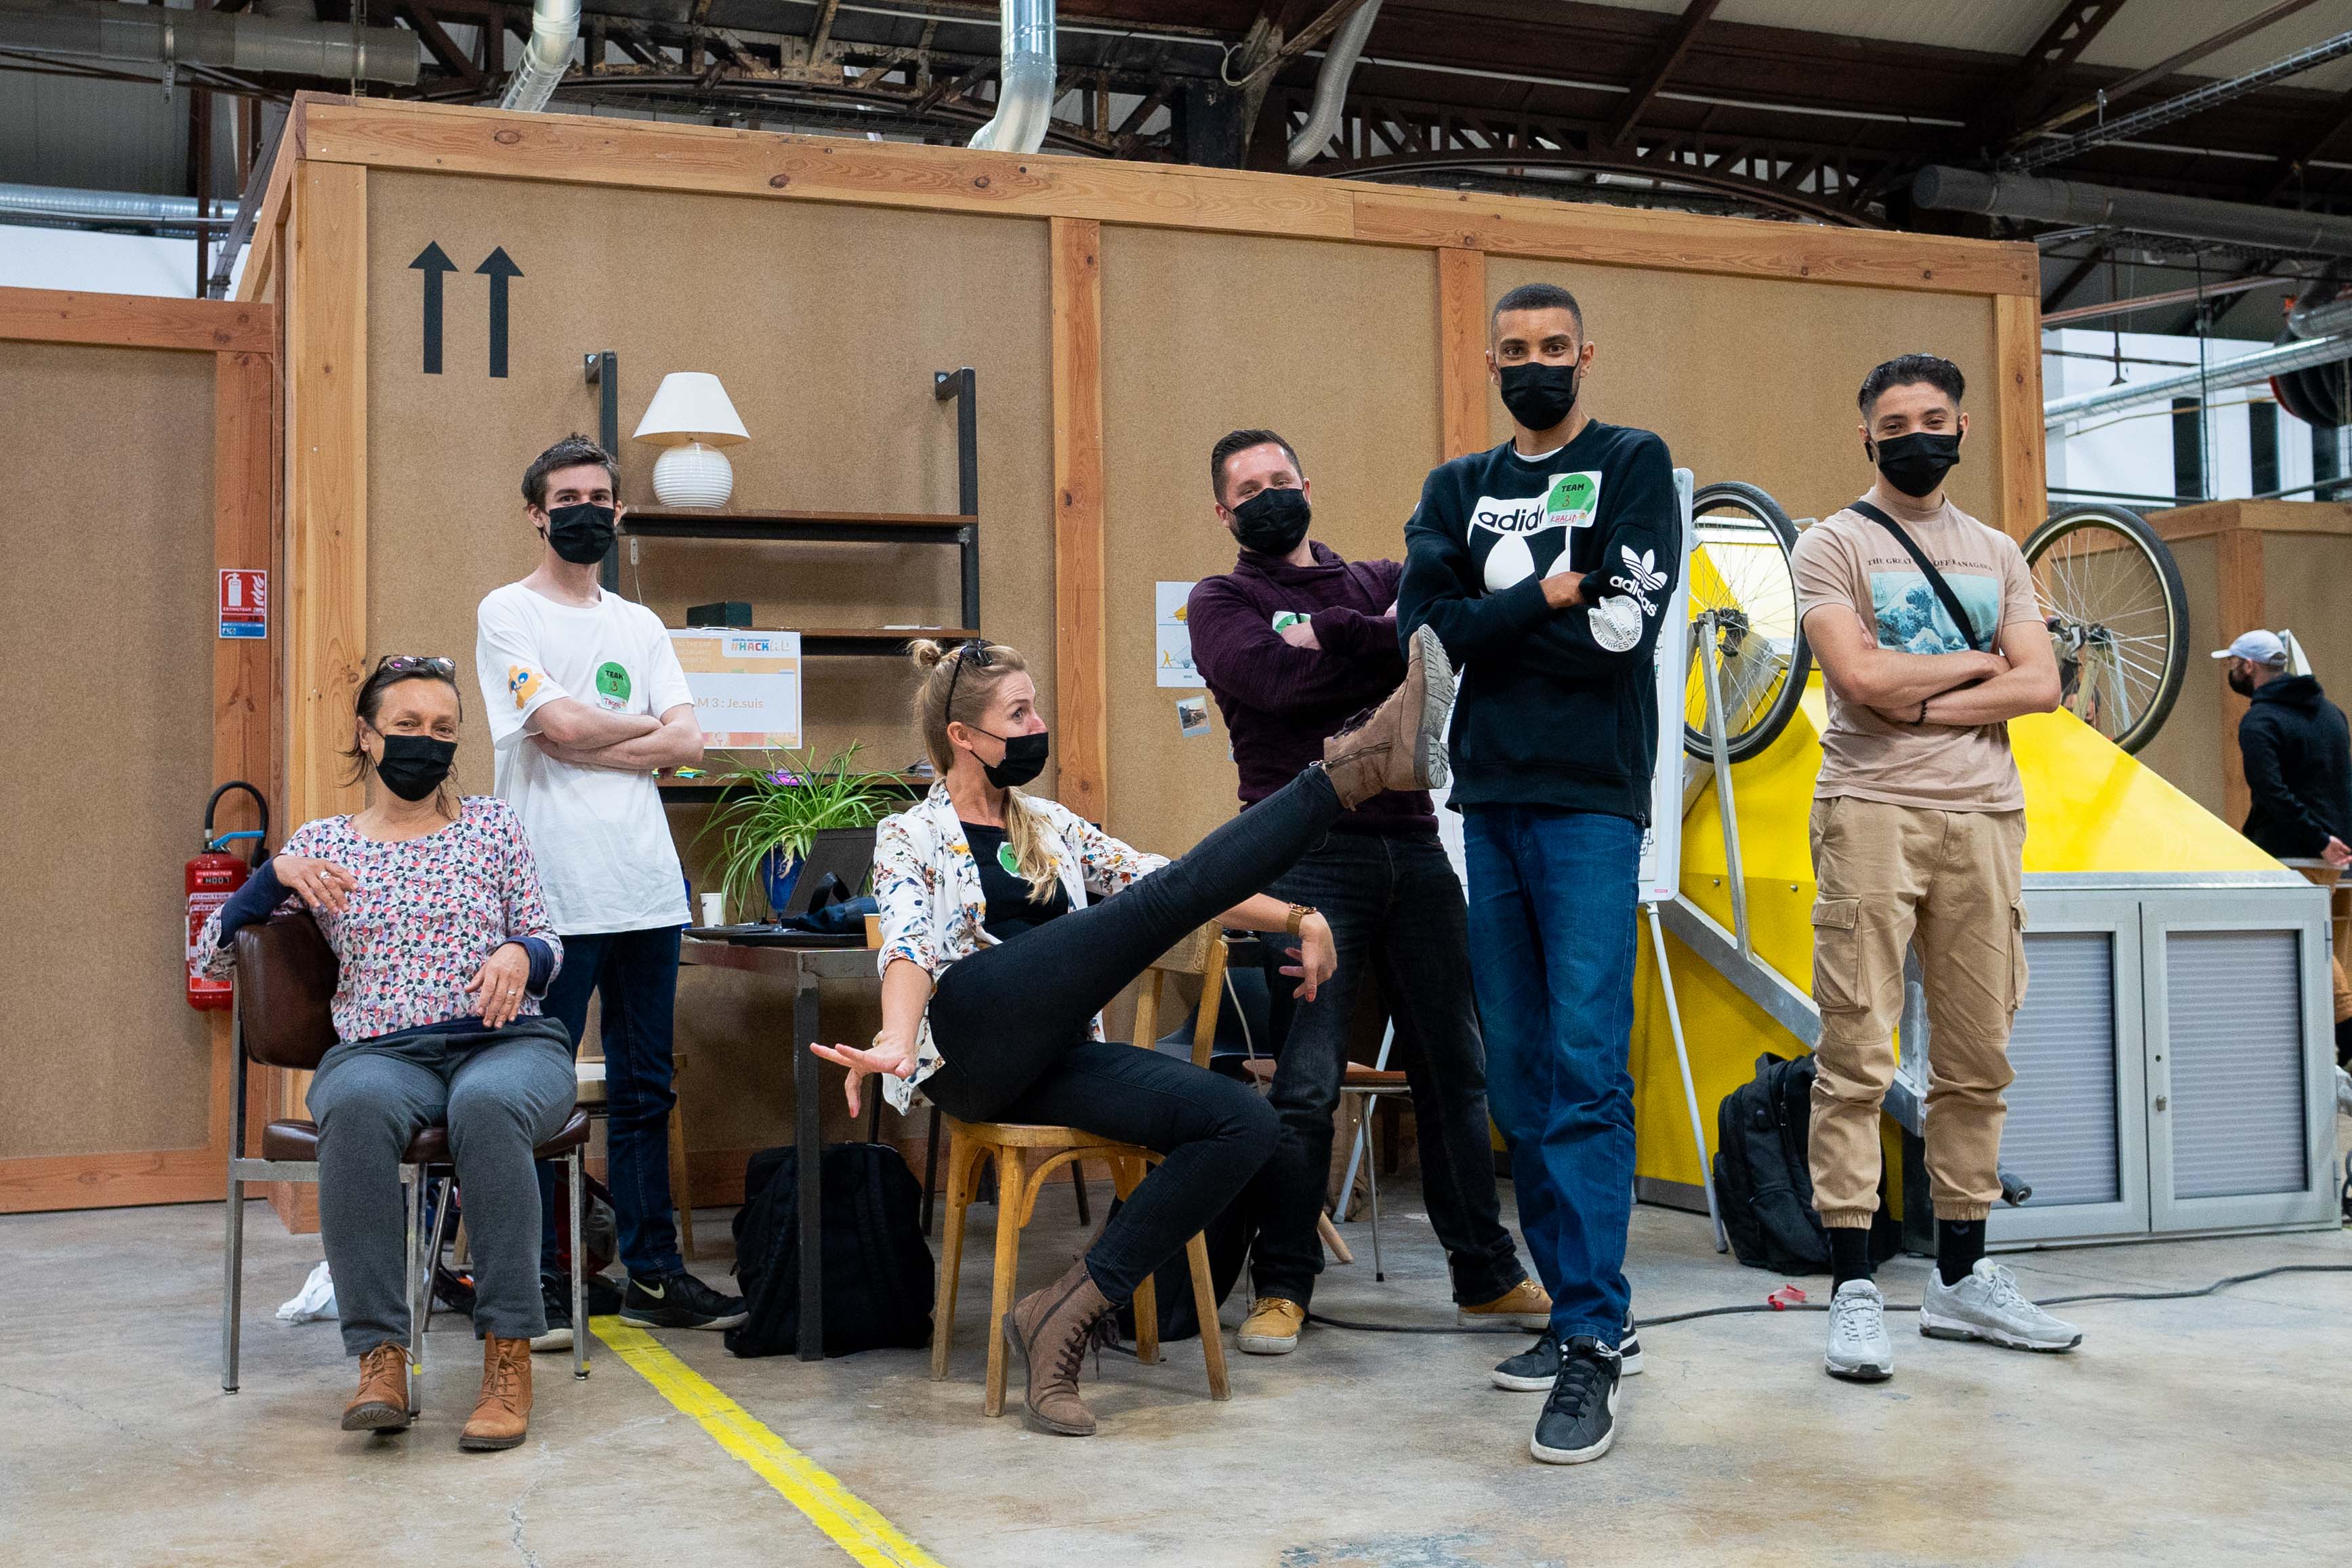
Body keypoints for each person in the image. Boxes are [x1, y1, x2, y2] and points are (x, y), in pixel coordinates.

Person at [809, 630, 1451, 1436]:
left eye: (1036, 707)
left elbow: (1170, 879)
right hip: (970, 1043)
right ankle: (1355, 768)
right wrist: (899, 1037)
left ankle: (1063, 1312)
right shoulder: (910, 833)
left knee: (1244, 1123)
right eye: (1019, 713)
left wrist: (1299, 915)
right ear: (963, 736)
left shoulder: (1049, 825)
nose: (1039, 724)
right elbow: (905, 944)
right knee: (1150, 909)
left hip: (1053, 1058)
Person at [1184, 427, 1547, 1357]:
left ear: (1307, 484)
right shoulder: (1222, 600)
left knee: (1456, 1070)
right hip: (1303, 856)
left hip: (1414, 849)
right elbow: (1273, 685)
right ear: (1223, 512)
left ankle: (1484, 1274)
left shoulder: (1380, 575)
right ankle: (1282, 1284)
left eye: (1279, 478)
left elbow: (1438, 645)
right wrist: (1387, 649)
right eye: (1247, 489)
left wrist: (1346, 635)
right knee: (1306, 1083)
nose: (1268, 495)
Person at [1396, 281, 1677, 1466]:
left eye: (1554, 347)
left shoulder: (1630, 461)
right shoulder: (1455, 486)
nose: (1535, 363)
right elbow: (1422, 630)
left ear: (1585, 355)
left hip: (1589, 805)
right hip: (1488, 802)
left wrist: (1490, 616)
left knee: (1583, 1064)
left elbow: (1622, 631)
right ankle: (1573, 1309)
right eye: (1514, 348)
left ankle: (1594, 1335)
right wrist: (1544, 593)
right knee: (1516, 1074)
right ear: (1489, 361)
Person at [193, 656, 574, 1451]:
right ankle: (380, 1360)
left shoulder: (494, 826)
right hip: (383, 1051)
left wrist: (521, 953)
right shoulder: (323, 845)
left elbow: (548, 938)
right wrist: (272, 876)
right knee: (355, 1105)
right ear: (367, 736)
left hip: (506, 1041)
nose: (424, 741)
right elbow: (211, 954)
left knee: (486, 1105)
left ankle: (508, 1356)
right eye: (406, 725)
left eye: (442, 728)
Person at [1790, 352, 2077, 1386]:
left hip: (1985, 815)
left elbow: (2040, 686)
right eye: (1895, 422)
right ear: (1865, 435)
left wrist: (1914, 693)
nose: (1915, 434)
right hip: (1867, 808)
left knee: (1975, 1053)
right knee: (1854, 1049)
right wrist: (1975, 664)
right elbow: (1854, 675)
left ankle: (1959, 1277)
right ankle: (1852, 1285)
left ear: (1960, 429)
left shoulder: (1997, 550)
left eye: (1932, 418)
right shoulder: (1830, 543)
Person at [473, 434, 741, 1347]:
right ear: (535, 513)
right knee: (538, 1092)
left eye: (599, 497)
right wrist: (634, 728)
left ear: (618, 512)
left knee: (644, 1090)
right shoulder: (507, 612)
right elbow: (551, 720)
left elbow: (689, 741)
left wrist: (589, 736)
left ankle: (654, 1271)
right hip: (550, 900)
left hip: (646, 891)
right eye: (567, 498)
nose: (585, 511)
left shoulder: (641, 625)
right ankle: (545, 1278)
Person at [2214, 627, 2352, 1069]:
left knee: (2307, 943)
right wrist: (2333, 841)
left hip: (2289, 854)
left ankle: (2345, 1029)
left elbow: (2271, 792)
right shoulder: (2332, 714)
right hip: (2330, 854)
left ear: (2248, 667)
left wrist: (2317, 840)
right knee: (2313, 941)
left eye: (2232, 664)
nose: (2231, 672)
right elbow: (2341, 781)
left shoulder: (2260, 722)